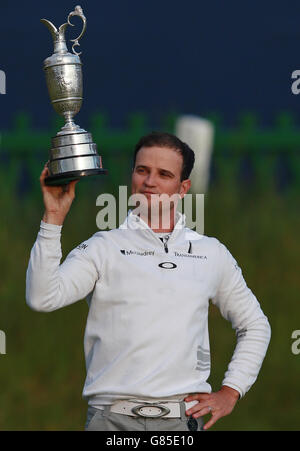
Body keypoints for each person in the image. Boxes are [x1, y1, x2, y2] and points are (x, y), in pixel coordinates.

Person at [26, 132, 271, 431]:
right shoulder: (104, 246)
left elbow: (255, 325)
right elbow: (42, 297)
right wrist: (53, 217)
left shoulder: (211, 252)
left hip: (182, 422)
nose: (149, 182)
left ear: (183, 188)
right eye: (142, 170)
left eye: (163, 174)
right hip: (110, 420)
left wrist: (231, 390)